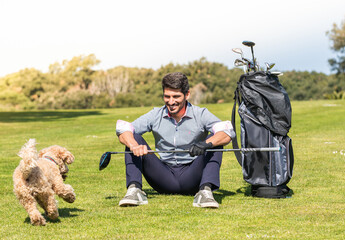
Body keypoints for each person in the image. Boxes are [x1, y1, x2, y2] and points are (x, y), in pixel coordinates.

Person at [115, 72, 235, 208]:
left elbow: (227, 131)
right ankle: (134, 190)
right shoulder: (156, 114)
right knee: (133, 136)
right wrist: (134, 145)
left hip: (192, 176)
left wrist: (206, 144)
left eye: (176, 96)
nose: (171, 102)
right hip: (163, 177)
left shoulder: (200, 114)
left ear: (187, 95)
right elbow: (123, 128)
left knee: (214, 141)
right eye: (167, 96)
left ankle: (205, 192)